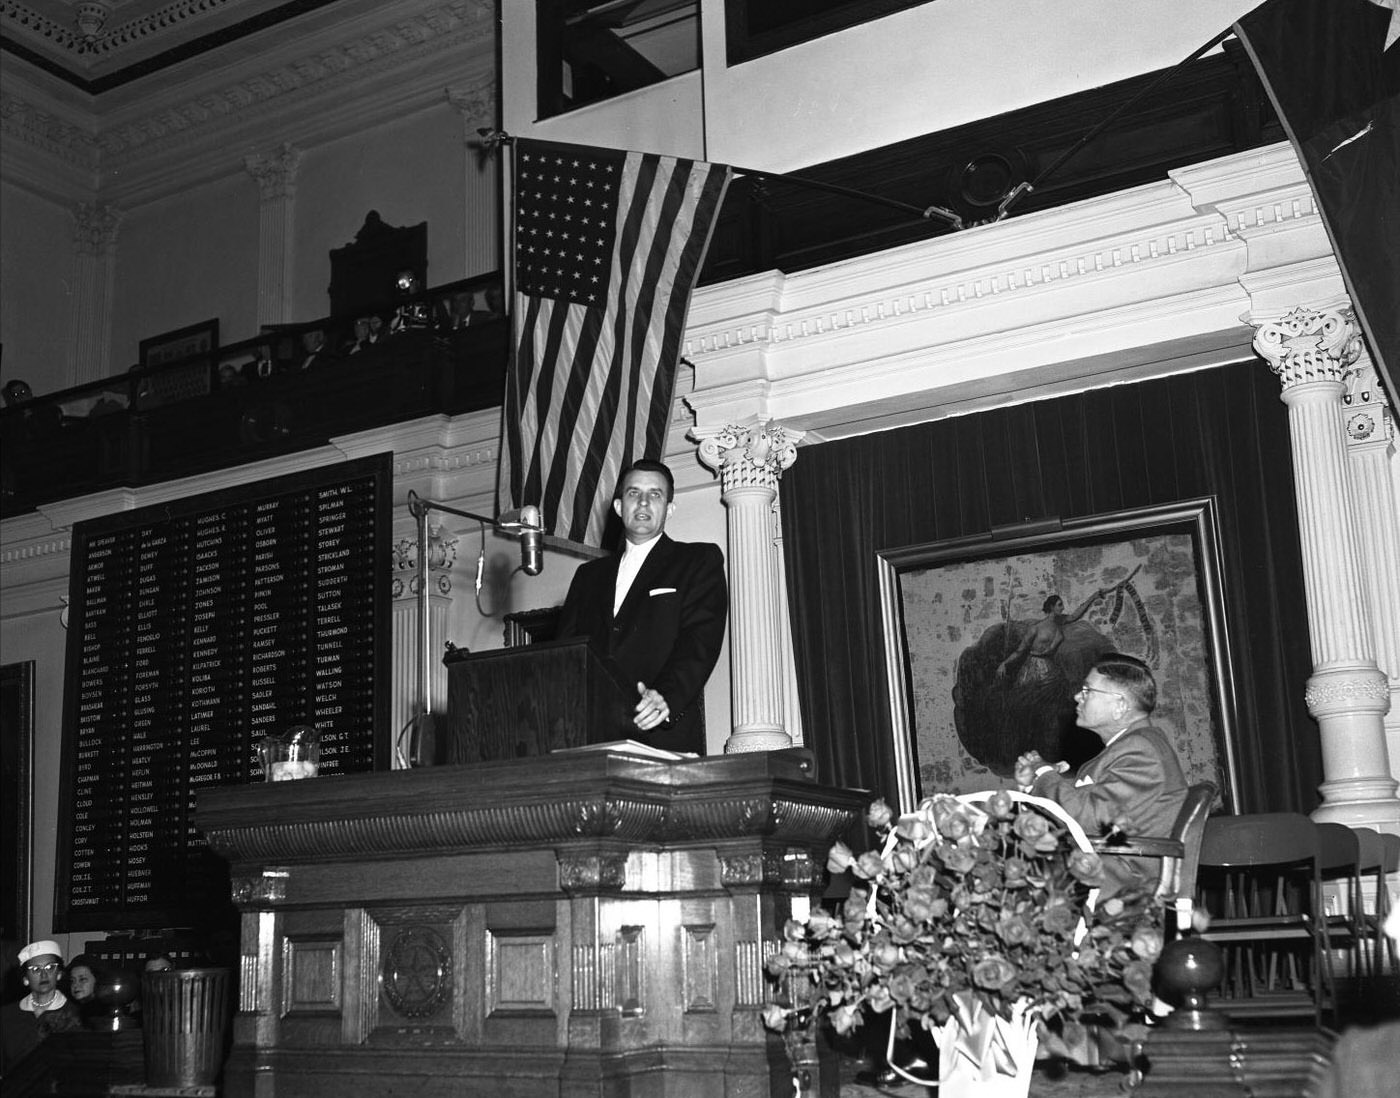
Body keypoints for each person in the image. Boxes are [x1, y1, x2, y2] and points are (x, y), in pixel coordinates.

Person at [554, 460, 728, 755]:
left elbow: (699, 642)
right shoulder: (588, 576)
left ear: (669, 509)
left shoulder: (698, 560)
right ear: (620, 507)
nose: (644, 501)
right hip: (591, 739)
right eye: (634, 493)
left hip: (660, 734)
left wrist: (667, 698)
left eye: (656, 494)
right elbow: (565, 655)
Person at [1015, 653, 1187, 898]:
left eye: (1087, 691)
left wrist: (1043, 773)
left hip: (1120, 882)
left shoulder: (1142, 751)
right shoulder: (1130, 747)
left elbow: (1086, 817)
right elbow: (1088, 809)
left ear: (1120, 706)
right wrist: (1031, 785)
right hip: (1104, 866)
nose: (1077, 697)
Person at [1, 939, 82, 1073]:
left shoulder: (75, 1014)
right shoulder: (6, 1015)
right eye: (35, 969)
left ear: (59, 974)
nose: (43, 974)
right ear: (25, 979)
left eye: (50, 967)